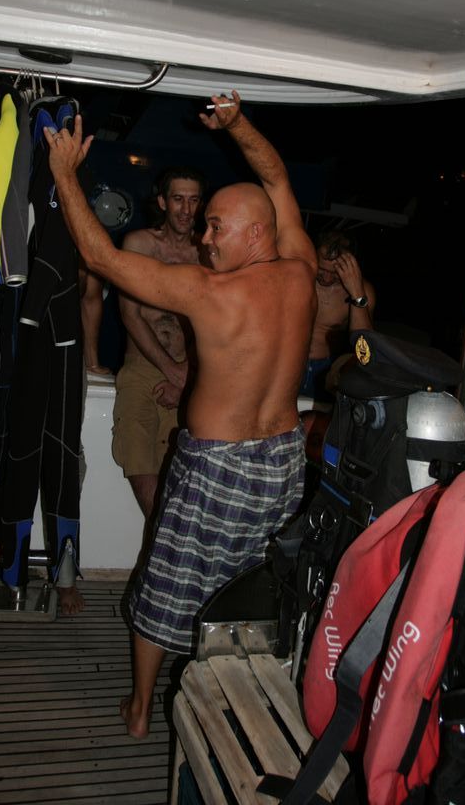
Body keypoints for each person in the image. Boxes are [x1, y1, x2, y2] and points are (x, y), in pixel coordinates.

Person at [44, 90, 317, 739]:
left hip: (217, 466)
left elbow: (101, 259)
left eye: (217, 226)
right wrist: (239, 124)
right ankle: (234, 696)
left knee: (168, 579)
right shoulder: (302, 274)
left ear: (256, 234)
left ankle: (141, 709)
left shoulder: (210, 293)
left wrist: (64, 176)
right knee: (250, 580)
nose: (203, 237)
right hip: (282, 462)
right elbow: (276, 177)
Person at [112, 166, 205, 538]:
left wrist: (187, 376)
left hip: (190, 372)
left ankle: (161, 557)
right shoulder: (139, 244)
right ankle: (164, 549)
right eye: (178, 199)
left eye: (194, 200)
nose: (186, 209)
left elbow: (211, 322)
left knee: (181, 472)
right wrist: (173, 371)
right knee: (137, 460)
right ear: (163, 202)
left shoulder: (206, 253)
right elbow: (129, 314)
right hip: (143, 368)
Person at [299, 231, 376, 402]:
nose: (326, 278)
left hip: (327, 370)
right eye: (322, 269)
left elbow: (364, 352)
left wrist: (356, 293)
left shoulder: (363, 291)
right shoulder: (298, 278)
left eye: (335, 272)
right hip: (290, 362)